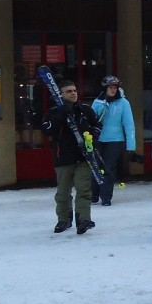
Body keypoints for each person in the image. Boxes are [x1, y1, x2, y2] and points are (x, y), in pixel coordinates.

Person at [41, 77, 103, 234]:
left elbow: (97, 124)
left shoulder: (84, 109)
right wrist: (60, 115)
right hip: (63, 158)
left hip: (83, 157)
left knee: (83, 190)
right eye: (69, 91)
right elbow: (47, 130)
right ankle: (64, 219)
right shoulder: (53, 112)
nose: (73, 93)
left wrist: (94, 135)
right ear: (60, 94)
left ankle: (84, 220)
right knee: (63, 193)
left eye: (75, 90)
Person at [90, 75, 136, 206]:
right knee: (95, 166)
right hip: (98, 139)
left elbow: (129, 124)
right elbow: (91, 120)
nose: (113, 89)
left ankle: (106, 197)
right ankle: (93, 194)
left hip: (115, 139)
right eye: (110, 87)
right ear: (105, 88)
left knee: (109, 167)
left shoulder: (123, 103)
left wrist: (131, 145)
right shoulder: (97, 102)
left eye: (115, 87)